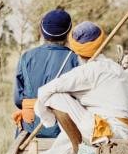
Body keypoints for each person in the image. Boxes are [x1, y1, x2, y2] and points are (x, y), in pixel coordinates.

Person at [34, 21, 128, 154]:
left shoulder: (87, 71)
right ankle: (68, 152)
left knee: (56, 97)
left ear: (75, 49)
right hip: (127, 131)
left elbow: (44, 92)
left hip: (112, 132)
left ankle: (81, 153)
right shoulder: (113, 66)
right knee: (74, 110)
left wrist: (48, 119)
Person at [13, 8, 79, 138]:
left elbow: (18, 99)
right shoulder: (76, 59)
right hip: (65, 130)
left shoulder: (26, 57)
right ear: (68, 32)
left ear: (42, 31)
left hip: (31, 129)